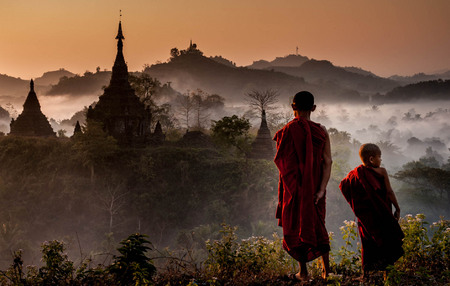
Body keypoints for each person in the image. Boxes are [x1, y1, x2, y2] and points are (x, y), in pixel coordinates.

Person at [273, 91, 332, 281]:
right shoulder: (321, 130)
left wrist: (293, 188)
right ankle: (327, 271)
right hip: (315, 187)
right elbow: (327, 161)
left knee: (297, 225)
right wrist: (321, 189)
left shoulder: (287, 131)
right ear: (314, 108)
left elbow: (283, 164)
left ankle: (304, 273)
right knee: (317, 224)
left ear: (293, 107)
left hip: (294, 189)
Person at [339, 143, 404, 277]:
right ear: (371, 159)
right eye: (379, 157)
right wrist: (397, 208)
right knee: (386, 239)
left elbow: (346, 187)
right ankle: (387, 274)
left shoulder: (354, 174)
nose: (381, 160)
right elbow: (390, 192)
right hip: (382, 214)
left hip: (366, 218)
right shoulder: (381, 171)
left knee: (367, 242)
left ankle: (366, 274)